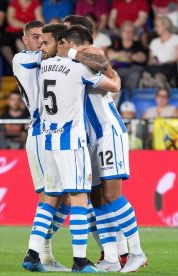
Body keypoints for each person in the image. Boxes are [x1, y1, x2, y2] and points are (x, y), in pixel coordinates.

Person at [34, 23, 121, 273]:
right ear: (66, 43)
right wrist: (78, 56)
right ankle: (81, 261)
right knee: (80, 201)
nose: (43, 47)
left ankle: (34, 252)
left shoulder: (42, 66)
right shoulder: (76, 68)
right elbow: (113, 85)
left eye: (45, 43)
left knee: (51, 200)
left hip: (47, 139)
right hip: (72, 141)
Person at [62, 20, 147, 272]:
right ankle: (111, 256)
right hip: (89, 137)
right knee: (97, 200)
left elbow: (105, 67)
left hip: (107, 132)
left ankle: (137, 252)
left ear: (75, 37)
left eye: (67, 31)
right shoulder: (72, 61)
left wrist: (72, 53)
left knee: (112, 195)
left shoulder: (91, 52)